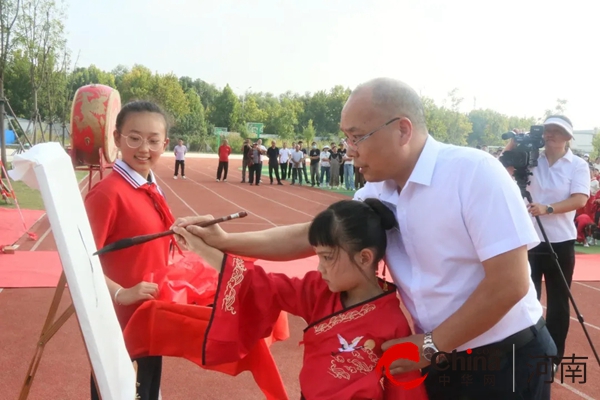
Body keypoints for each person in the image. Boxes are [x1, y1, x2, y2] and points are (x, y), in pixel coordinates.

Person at [173, 77, 557, 399]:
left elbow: (509, 283)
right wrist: (223, 241)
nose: (349, 149)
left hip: (501, 359)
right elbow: (309, 236)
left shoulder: (473, 173)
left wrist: (430, 345)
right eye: (347, 138)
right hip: (437, 354)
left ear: (402, 129)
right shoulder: (377, 192)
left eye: (357, 137)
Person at [172, 199, 429, 400]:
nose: (320, 268)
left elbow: (405, 392)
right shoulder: (318, 291)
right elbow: (261, 284)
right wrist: (202, 249)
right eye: (318, 256)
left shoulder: (393, 324)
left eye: (327, 257)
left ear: (364, 257)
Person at [85, 101, 174, 400]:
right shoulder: (108, 194)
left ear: (166, 143)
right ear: (116, 138)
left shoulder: (149, 186)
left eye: (153, 140)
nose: (144, 148)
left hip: (149, 321)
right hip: (120, 328)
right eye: (134, 138)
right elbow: (80, 262)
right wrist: (121, 293)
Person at [504, 115, 590, 371]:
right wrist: (512, 145)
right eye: (547, 129)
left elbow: (580, 199)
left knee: (558, 302)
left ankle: (553, 358)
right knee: (526, 297)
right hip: (529, 241)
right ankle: (527, 351)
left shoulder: (577, 165)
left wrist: (548, 208)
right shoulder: (531, 160)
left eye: (556, 130)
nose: (549, 134)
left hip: (560, 242)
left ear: (568, 137)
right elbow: (500, 170)